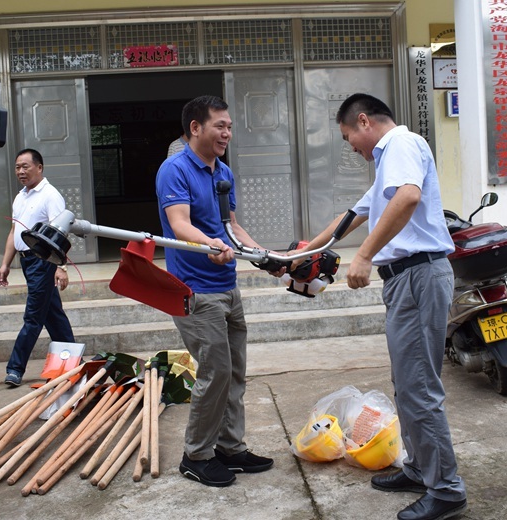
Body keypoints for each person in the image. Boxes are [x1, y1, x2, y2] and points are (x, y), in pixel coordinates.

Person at [292, 94, 467, 520]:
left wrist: (365, 255)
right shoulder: (389, 159)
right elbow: (353, 215)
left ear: (364, 121)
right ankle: (419, 467)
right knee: (406, 383)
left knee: (419, 389)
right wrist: (299, 253)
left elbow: (407, 198)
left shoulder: (401, 145)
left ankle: (446, 490)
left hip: (419, 276)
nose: (350, 145)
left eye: (348, 135)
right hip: (408, 280)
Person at [155, 95, 274, 487]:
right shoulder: (175, 170)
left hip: (228, 287)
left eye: (229, 126)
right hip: (195, 291)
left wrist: (265, 255)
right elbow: (179, 225)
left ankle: (229, 447)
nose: (227, 133)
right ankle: (197, 455)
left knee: (235, 372)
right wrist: (212, 245)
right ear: (195, 128)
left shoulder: (222, 171)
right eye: (219, 126)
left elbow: (232, 225)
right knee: (215, 371)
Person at [0, 148, 75, 387]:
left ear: (39, 168)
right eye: (17, 167)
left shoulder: (50, 195)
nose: (20, 171)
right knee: (53, 315)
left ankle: (14, 369)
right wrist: (5, 264)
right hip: (27, 261)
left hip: (43, 262)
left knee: (33, 317)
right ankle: (73, 361)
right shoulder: (20, 196)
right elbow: (14, 232)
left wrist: (60, 267)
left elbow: (60, 233)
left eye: (25, 166)